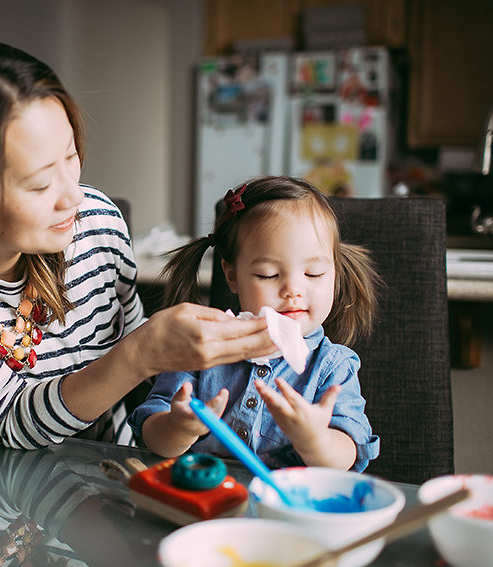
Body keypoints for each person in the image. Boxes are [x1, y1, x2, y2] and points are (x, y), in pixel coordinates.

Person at [0, 37, 277, 449]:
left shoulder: (95, 222)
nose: (75, 196)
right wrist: (139, 355)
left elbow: (129, 347)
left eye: (71, 156)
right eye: (40, 183)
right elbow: (6, 419)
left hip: (97, 470)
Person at [129, 176, 381, 472]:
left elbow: (348, 454)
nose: (293, 290)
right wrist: (178, 428)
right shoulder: (201, 347)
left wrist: (316, 441)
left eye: (314, 274)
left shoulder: (333, 366)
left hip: (288, 506)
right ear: (232, 275)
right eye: (268, 275)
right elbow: (152, 436)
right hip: (204, 498)